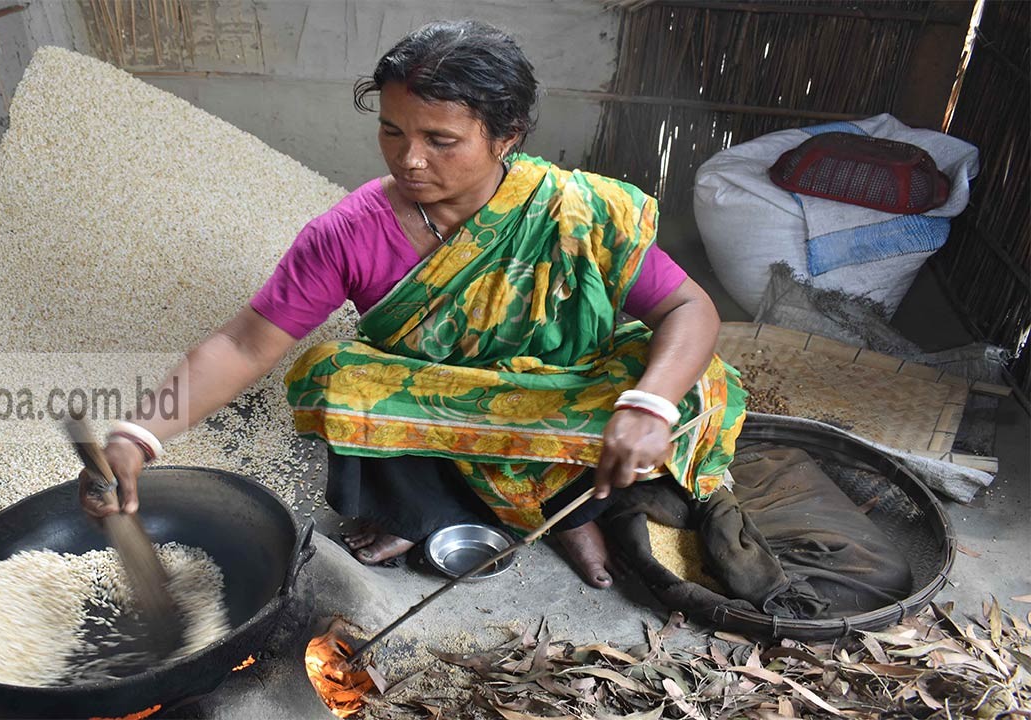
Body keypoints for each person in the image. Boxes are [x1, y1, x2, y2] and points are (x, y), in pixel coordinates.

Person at [82, 20, 746, 589]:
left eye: (441, 140)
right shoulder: (350, 232)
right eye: (393, 131)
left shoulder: (576, 212)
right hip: (439, 407)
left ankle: (559, 516)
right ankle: (451, 512)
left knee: (695, 385)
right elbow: (245, 343)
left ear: (506, 135)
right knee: (334, 381)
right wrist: (137, 435)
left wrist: (648, 404)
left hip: (563, 399)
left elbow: (690, 311)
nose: (410, 159)